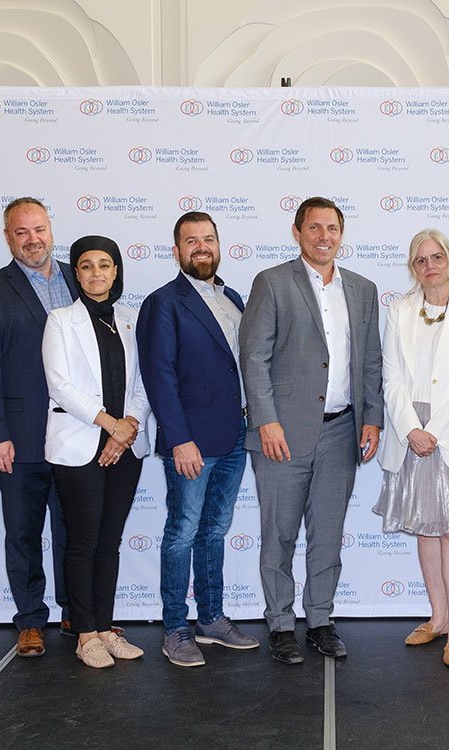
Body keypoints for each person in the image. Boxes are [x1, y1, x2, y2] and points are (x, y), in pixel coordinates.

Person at [239, 197, 383, 664]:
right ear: (297, 232)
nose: (324, 237)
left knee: (328, 534)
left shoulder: (362, 289)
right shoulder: (273, 283)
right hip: (281, 434)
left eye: (333, 228)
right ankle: (280, 623)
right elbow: (254, 357)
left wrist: (373, 418)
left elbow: (371, 362)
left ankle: (320, 619)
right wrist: (266, 420)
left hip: (342, 432)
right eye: (315, 228)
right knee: (278, 534)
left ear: (342, 234)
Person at [138, 212, 260, 668]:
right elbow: (160, 375)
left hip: (233, 438)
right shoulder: (163, 302)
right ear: (177, 251)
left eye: (209, 239)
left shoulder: (232, 297)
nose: (202, 247)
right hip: (191, 442)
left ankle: (211, 620)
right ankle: (175, 628)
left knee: (215, 531)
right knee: (181, 533)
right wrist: (179, 438)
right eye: (192, 241)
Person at [375, 229, 449, 669]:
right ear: (413, 267)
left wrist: (435, 433)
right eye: (421, 259)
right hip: (410, 430)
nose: (430, 265)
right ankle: (438, 618)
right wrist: (410, 428)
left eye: (437, 256)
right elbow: (391, 378)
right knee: (426, 528)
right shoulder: (399, 310)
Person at [0, 197, 80, 658]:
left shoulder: (81, 277)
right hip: (20, 434)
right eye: (21, 232)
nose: (33, 239)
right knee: (23, 533)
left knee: (76, 531)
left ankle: (77, 612)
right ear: (8, 238)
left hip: (78, 434)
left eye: (39, 229)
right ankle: (31, 620)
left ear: (51, 229)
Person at [43, 235, 151, 669]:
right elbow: (60, 386)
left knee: (110, 542)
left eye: (104, 264)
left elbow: (142, 384)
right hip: (79, 444)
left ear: (117, 270)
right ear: (76, 272)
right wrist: (110, 424)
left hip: (126, 447)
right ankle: (84, 632)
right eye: (85, 266)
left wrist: (129, 428)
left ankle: (106, 628)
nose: (96, 273)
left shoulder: (129, 319)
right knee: (83, 541)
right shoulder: (60, 320)